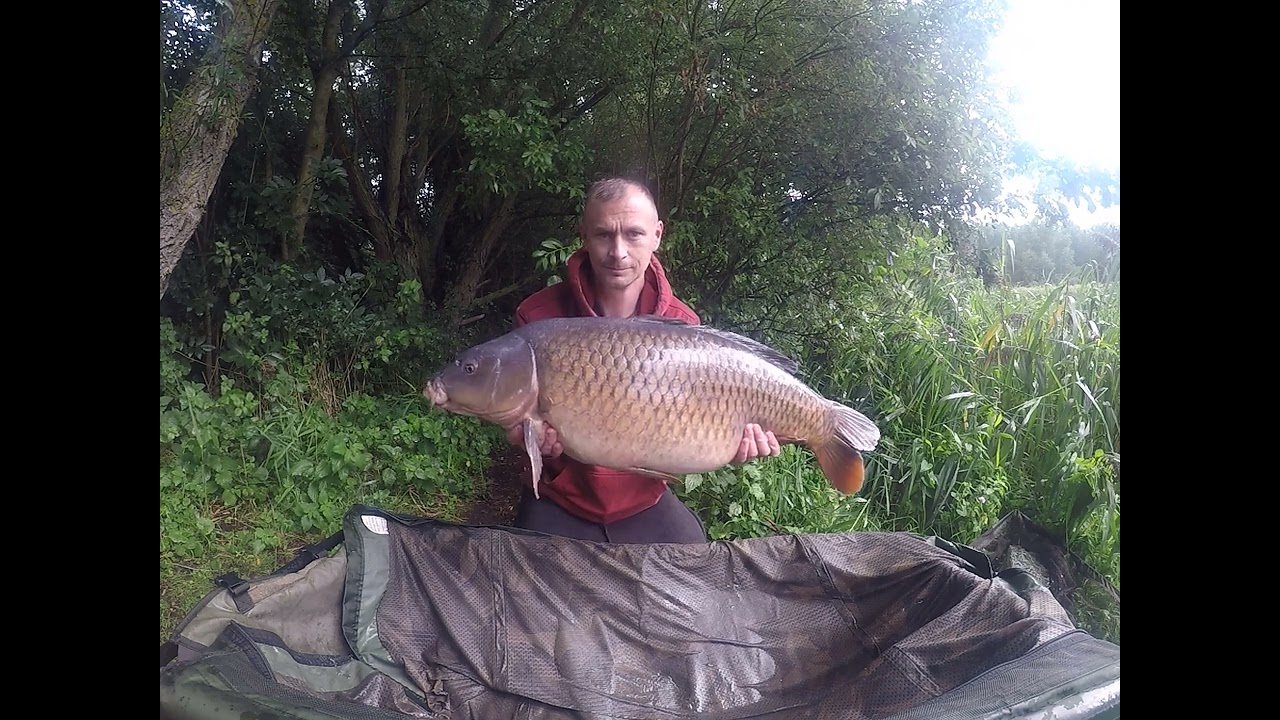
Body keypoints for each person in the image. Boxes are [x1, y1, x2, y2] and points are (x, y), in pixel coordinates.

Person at [505, 177, 780, 544]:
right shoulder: (538, 317)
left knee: (695, 567)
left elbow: (694, 434)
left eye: (633, 234)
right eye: (604, 234)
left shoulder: (684, 326)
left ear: (657, 235)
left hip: (643, 501)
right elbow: (514, 418)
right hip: (560, 498)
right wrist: (526, 437)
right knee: (530, 586)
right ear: (583, 235)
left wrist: (730, 445)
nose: (618, 252)